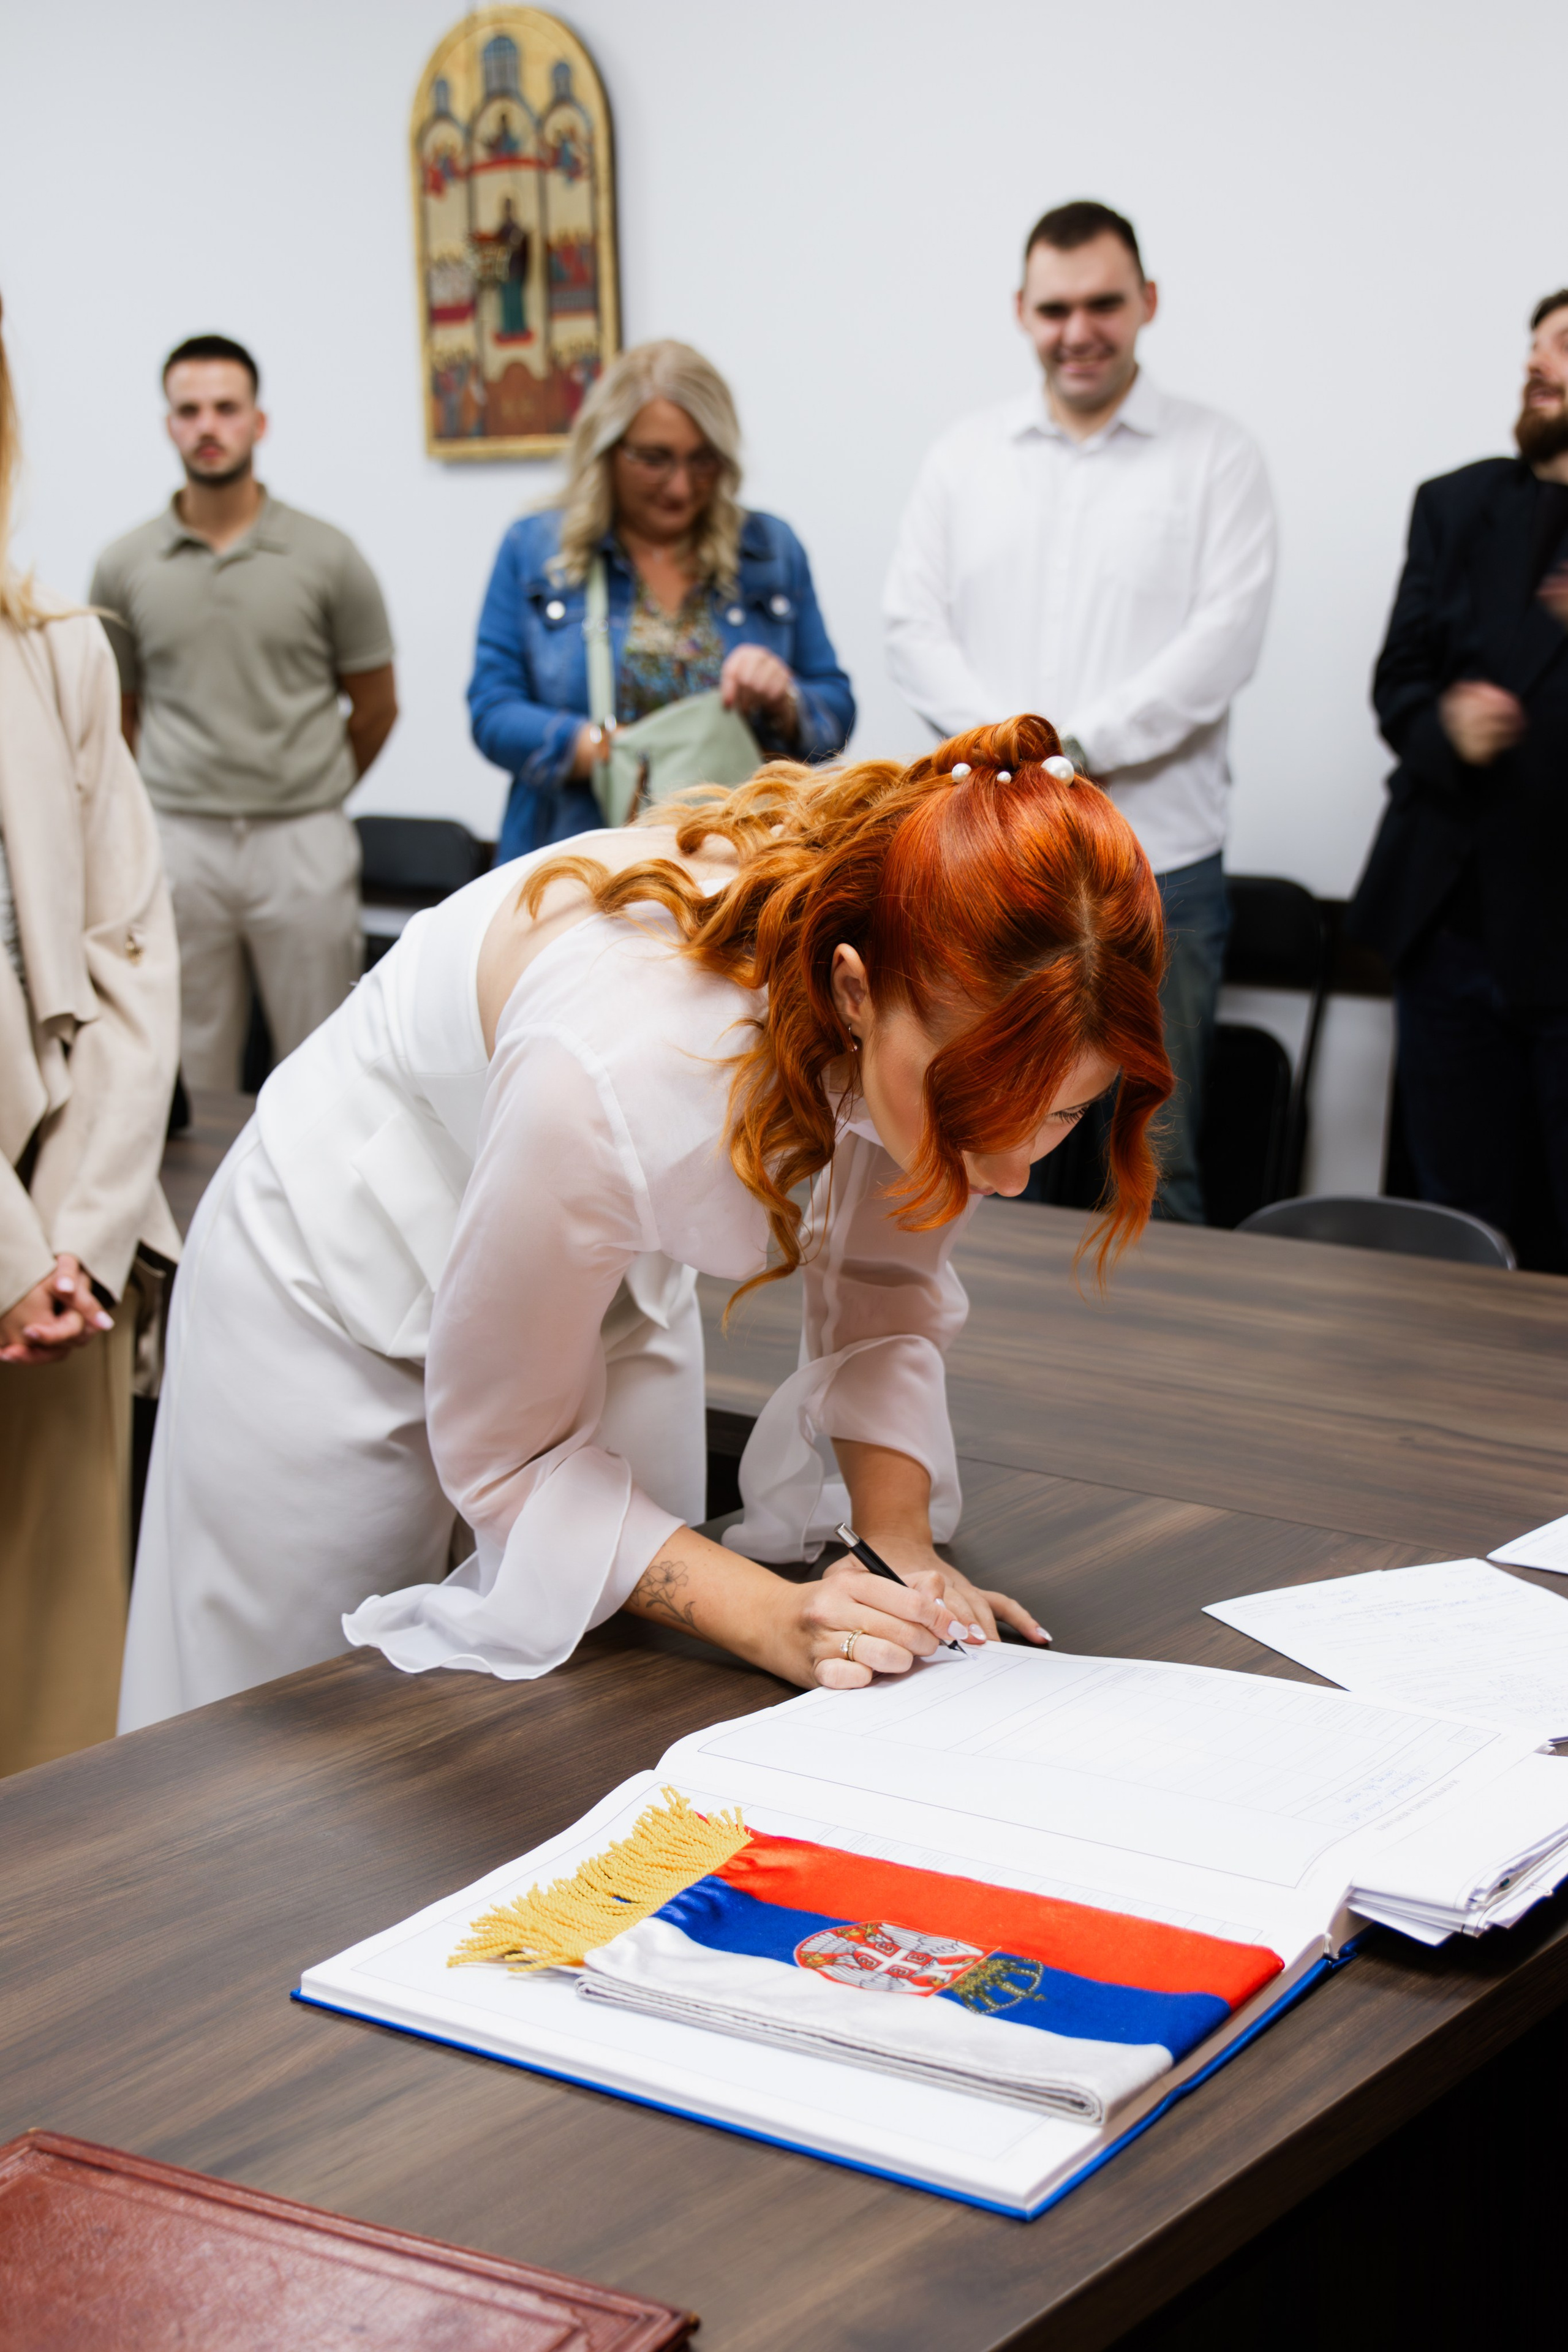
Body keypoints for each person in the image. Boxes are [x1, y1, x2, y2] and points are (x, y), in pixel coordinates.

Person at [119, 713, 1172, 1731]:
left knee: (621, 1701)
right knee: (291, 1728)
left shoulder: (933, 965)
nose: (1010, 1168)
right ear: (854, 996)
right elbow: (511, 1460)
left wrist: (906, 1556)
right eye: (978, 1114)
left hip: (595, 1239)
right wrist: (772, 1613)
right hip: (337, 1260)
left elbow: (884, 1281)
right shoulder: (624, 1062)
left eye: (1065, 1114)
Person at [884, 202, 1275, 1222]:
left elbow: (1222, 643)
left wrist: (1074, 748)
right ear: (1021, 311)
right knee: (986, 1146)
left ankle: (1156, 1384)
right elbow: (911, 626)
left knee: (1153, 1166)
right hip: (998, 870)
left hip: (1161, 874)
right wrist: (1011, 757)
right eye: (1055, 308)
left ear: (1147, 303)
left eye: (1104, 303)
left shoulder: (1216, 458)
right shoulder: (963, 459)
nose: (1079, 330)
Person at [0, 292, 181, 1775]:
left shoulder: (58, 649)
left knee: (55, 1724)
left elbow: (131, 951)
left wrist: (76, 1237)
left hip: (60, 1265)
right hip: (19, 1254)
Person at [89, 334, 399, 1090]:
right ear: (169, 424)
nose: (208, 426)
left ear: (258, 422)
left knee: (325, 1060)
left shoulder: (327, 556)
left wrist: (306, 786)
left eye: (226, 408)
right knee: (186, 1064)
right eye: (189, 410)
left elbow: (376, 706)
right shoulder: (124, 564)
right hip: (178, 845)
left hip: (303, 841)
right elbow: (115, 715)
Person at [1347, 293, 1568, 1254]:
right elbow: (1398, 684)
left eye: (1564, 344)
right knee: (1460, 1225)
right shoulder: (1457, 504)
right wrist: (1450, 723)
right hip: (1451, 932)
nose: (1538, 361)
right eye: (1533, 344)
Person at [469, 339, 855, 862]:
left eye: (702, 462)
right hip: (576, 859)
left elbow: (836, 708)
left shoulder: (770, 551)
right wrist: (600, 749)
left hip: (737, 865)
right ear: (608, 450)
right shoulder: (537, 550)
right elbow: (493, 712)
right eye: (654, 460)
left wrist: (783, 699)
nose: (679, 487)